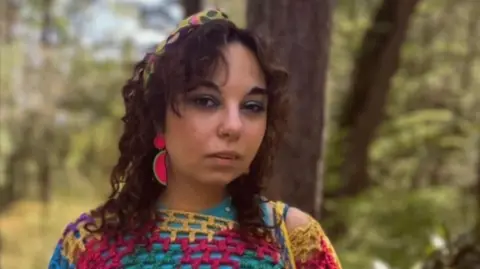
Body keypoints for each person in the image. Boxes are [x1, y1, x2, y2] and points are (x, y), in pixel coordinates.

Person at [48, 9, 342, 269]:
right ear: (157, 120)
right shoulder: (89, 247)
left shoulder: (296, 242)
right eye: (206, 101)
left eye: (252, 107)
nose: (233, 126)